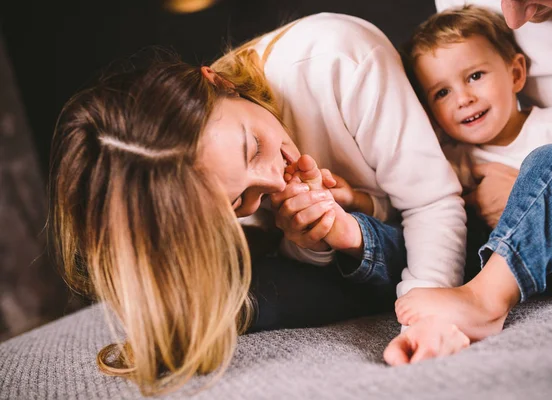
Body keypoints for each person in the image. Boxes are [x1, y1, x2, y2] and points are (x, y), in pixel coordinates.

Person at [49, 13, 469, 395]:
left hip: (434, 214)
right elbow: (283, 257)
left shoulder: (335, 58)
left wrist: (431, 319)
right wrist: (310, 239)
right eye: (238, 201)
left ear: (218, 81)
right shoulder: (203, 191)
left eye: (252, 148)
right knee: (239, 293)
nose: (270, 181)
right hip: (354, 239)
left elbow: (432, 203)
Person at [386, 4, 552, 362]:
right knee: (427, 221)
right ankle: (451, 317)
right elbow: (407, 204)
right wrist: (359, 200)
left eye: (474, 76)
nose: (463, 98)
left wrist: (526, 192)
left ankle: (484, 301)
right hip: (518, 275)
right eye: (442, 93)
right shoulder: (451, 161)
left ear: (516, 73)